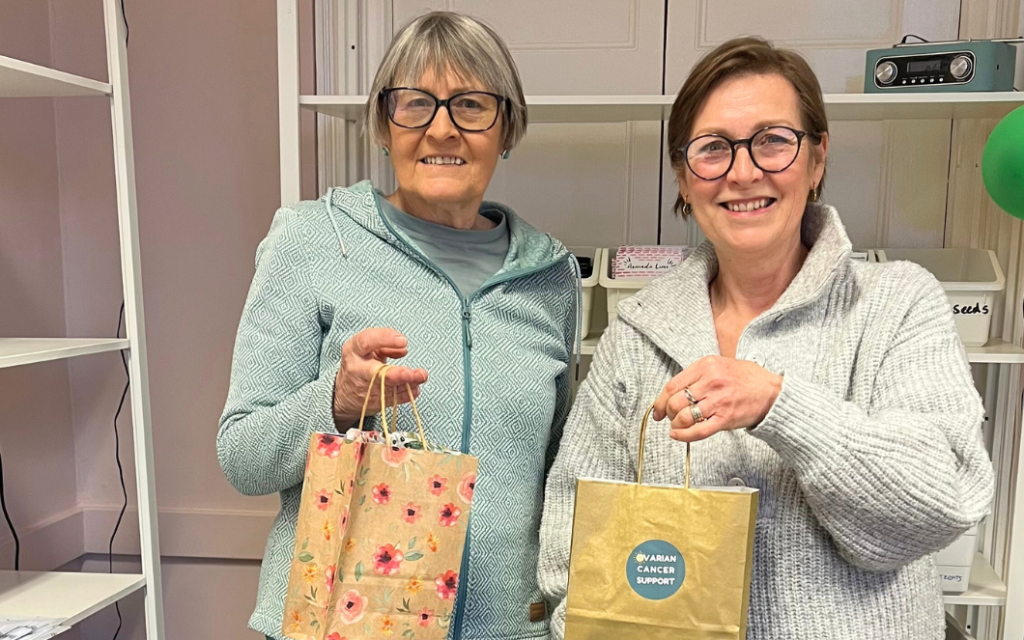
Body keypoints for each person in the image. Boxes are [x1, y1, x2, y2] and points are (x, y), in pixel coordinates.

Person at [538, 36, 994, 640]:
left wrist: (780, 405)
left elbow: (942, 501)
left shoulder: (896, 303)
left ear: (817, 159)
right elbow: (573, 537)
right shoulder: (639, 330)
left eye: (773, 141)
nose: (744, 171)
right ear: (683, 177)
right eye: (713, 148)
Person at [218, 12, 580, 640]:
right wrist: (337, 400)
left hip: (507, 629)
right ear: (384, 126)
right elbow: (242, 456)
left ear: (507, 129)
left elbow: (556, 474)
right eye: (415, 104)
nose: (442, 128)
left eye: (471, 105)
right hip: (342, 624)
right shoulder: (312, 240)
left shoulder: (550, 276)